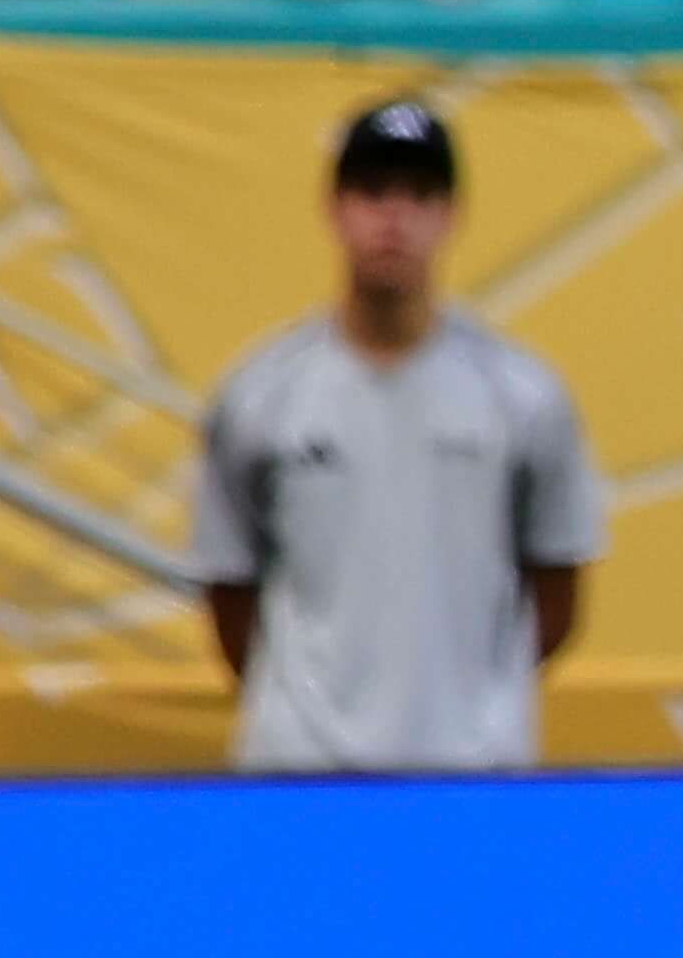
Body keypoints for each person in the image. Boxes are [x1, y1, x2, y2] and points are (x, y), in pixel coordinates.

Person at [188, 98, 606, 776]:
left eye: (419, 195)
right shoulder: (261, 395)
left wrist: (470, 703)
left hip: (471, 775)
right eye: (373, 191)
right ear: (335, 207)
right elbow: (230, 595)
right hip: (300, 775)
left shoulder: (523, 397)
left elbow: (556, 598)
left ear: (451, 215)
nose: (393, 220)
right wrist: (307, 711)